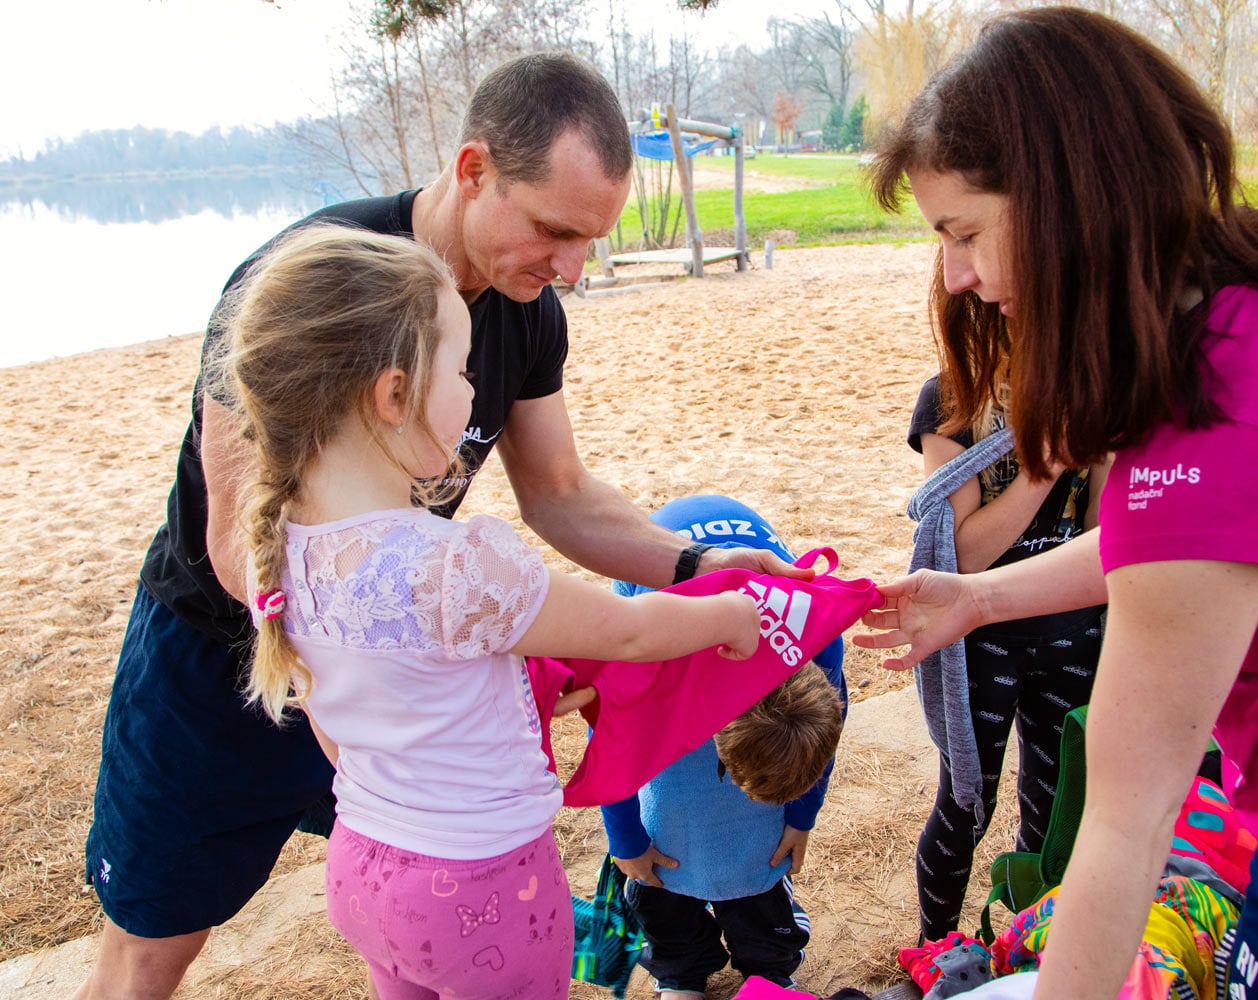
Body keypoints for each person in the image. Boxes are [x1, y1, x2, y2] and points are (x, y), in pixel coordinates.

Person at [77, 52, 803, 1000]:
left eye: (590, 240)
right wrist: (343, 673)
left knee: (418, 920)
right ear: (473, 171)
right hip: (232, 653)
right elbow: (232, 533)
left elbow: (559, 492)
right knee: (154, 945)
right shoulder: (313, 278)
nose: (572, 270)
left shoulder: (525, 308)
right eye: (553, 230)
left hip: (390, 674)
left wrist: (696, 562)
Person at [858, 7, 1258, 999]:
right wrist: (981, 599)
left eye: (966, 233)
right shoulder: (1252, 295)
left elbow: (1128, 813)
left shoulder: (1230, 409)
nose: (960, 276)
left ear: (1070, 197)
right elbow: (1182, 541)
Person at [220, 224, 764, 1000]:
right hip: (480, 888)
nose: (478, 390)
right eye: (463, 367)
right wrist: (730, 615)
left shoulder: (284, 546)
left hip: (361, 866)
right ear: (395, 394)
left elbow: (343, 728)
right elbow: (630, 630)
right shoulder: (457, 565)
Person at [603, 495, 847, 999]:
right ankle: (679, 972)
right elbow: (608, 738)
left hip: (758, 592)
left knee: (753, 844)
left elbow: (823, 734)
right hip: (658, 566)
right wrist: (626, 840)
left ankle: (769, 966)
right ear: (717, 726)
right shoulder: (653, 642)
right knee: (667, 826)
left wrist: (803, 816)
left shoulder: (821, 631)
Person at [904, 374, 1107, 942]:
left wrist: (1109, 450)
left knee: (1057, 802)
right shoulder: (951, 397)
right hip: (978, 637)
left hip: (1074, 629)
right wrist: (1045, 465)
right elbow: (965, 555)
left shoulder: (1094, 387)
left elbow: (1100, 534)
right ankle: (934, 949)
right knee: (967, 805)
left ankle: (1026, 940)